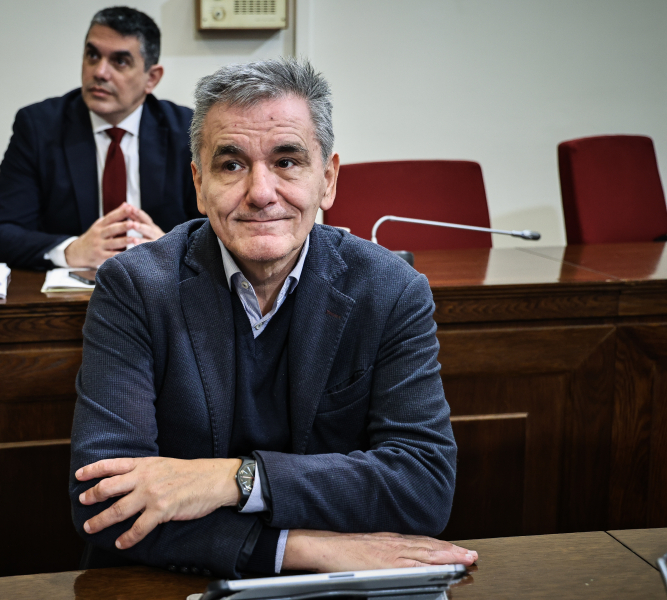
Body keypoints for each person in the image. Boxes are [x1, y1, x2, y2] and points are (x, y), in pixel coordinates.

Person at [69, 58, 478, 578]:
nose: (261, 193)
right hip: (172, 584)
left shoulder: (391, 290)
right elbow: (104, 502)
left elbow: (423, 487)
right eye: (231, 165)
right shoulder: (134, 287)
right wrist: (299, 548)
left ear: (327, 179)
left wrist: (233, 480)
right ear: (199, 183)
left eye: (287, 161)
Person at [0, 7, 199, 270]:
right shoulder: (39, 127)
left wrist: (172, 247)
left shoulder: (187, 130)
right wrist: (71, 250)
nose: (100, 72)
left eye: (120, 61)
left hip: (160, 287)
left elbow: (221, 229)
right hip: (74, 290)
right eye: (93, 55)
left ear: (151, 78)